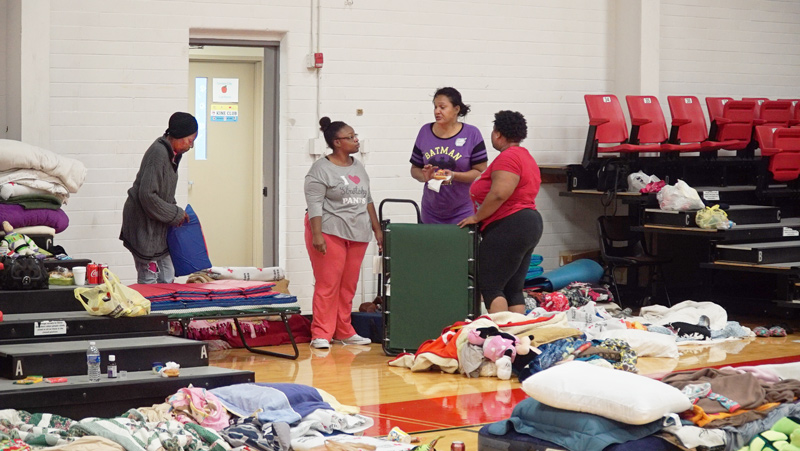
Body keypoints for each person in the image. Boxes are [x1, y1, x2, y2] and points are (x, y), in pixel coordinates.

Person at [305, 117, 383, 350]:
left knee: (348, 285)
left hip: (357, 232)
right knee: (328, 284)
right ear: (337, 142)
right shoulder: (320, 169)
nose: (356, 140)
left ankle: (344, 330)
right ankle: (321, 332)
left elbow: (366, 198)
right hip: (329, 230)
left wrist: (377, 229)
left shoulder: (358, 165)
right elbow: (314, 204)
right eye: (350, 137)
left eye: (355, 135)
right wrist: (317, 235)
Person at [459, 111, 543, 313]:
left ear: (497, 134)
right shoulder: (525, 156)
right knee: (513, 288)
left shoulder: (509, 157)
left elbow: (499, 193)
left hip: (509, 224)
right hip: (528, 223)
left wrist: (477, 217)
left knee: (490, 286)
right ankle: (516, 337)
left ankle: (502, 339)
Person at [120, 112, 194, 284]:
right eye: (190, 141)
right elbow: (147, 196)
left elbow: (164, 193)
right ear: (178, 135)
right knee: (150, 278)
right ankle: (151, 308)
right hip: (143, 225)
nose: (191, 146)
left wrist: (176, 214)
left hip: (156, 226)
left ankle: (166, 309)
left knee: (167, 274)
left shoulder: (172, 155)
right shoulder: (158, 153)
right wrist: (176, 214)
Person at [410, 87, 488, 224]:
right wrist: (424, 176)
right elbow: (414, 169)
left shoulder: (472, 134)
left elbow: (480, 173)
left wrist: (454, 175)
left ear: (456, 109)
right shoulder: (425, 131)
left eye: (442, 107)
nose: (436, 111)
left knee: (459, 245)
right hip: (431, 211)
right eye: (435, 107)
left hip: (463, 210)